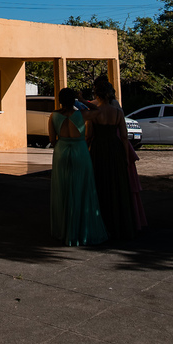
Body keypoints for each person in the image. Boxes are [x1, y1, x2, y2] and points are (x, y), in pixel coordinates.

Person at [49, 88, 108, 246]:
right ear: (73, 99)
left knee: (63, 189)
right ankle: (80, 229)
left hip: (61, 150)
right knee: (82, 188)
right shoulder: (82, 114)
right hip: (79, 150)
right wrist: (82, 100)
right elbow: (98, 110)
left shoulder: (53, 116)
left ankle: (64, 228)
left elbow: (52, 139)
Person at [87, 76, 139, 239]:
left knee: (100, 183)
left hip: (99, 149)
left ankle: (102, 221)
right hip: (115, 148)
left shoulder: (93, 114)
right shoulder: (118, 112)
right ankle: (120, 223)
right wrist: (125, 156)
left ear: (97, 95)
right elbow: (124, 137)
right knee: (117, 184)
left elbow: (89, 135)